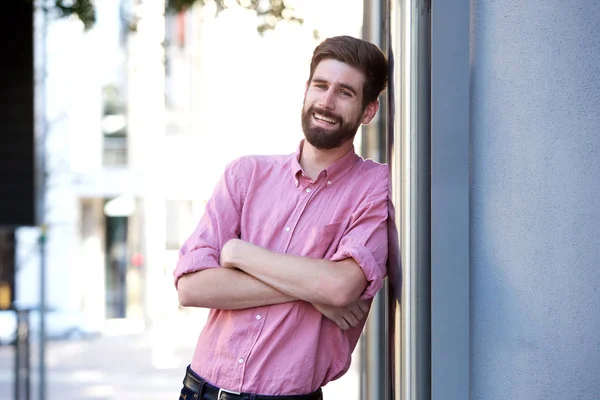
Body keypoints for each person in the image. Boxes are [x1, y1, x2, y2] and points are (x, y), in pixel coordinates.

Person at [174, 35, 389, 400]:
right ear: (306, 90)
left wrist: (240, 254)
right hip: (200, 391)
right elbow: (192, 288)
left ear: (368, 111)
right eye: (320, 86)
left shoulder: (374, 187)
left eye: (345, 93)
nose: (326, 101)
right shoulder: (245, 175)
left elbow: (340, 288)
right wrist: (312, 290)